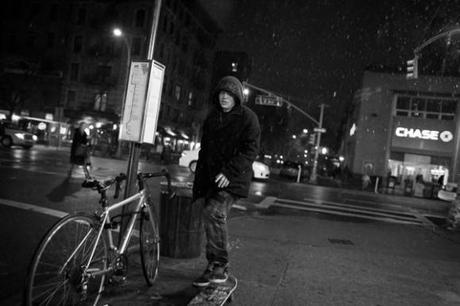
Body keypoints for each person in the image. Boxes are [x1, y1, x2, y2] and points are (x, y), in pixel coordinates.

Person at [192, 76, 261, 286]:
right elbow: (205, 153)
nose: (224, 97)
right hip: (213, 179)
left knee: (214, 213)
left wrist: (229, 172)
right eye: (221, 93)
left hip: (234, 178)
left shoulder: (248, 118)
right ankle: (213, 264)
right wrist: (199, 183)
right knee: (208, 216)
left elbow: (250, 150)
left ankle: (221, 264)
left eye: (229, 94)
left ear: (237, 97)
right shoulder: (213, 118)